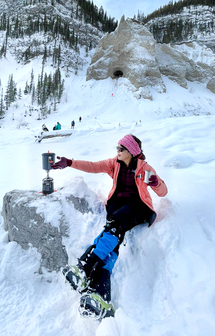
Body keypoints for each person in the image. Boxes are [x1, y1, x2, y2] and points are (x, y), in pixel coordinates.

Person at [52, 134, 167, 318]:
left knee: (113, 226)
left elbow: (163, 191)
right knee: (108, 241)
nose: (117, 151)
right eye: (117, 148)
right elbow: (92, 166)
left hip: (138, 208)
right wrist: (70, 162)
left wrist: (155, 182)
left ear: (132, 151)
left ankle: (85, 267)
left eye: (121, 148)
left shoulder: (145, 168)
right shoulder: (114, 163)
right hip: (117, 209)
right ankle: (100, 293)